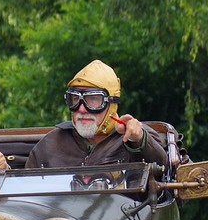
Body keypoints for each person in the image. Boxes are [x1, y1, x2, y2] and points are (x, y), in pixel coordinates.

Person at [25, 60, 168, 169]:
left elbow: (164, 171)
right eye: (74, 99)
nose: (81, 109)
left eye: (92, 100)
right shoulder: (50, 145)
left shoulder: (137, 137)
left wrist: (139, 140)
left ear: (111, 103)